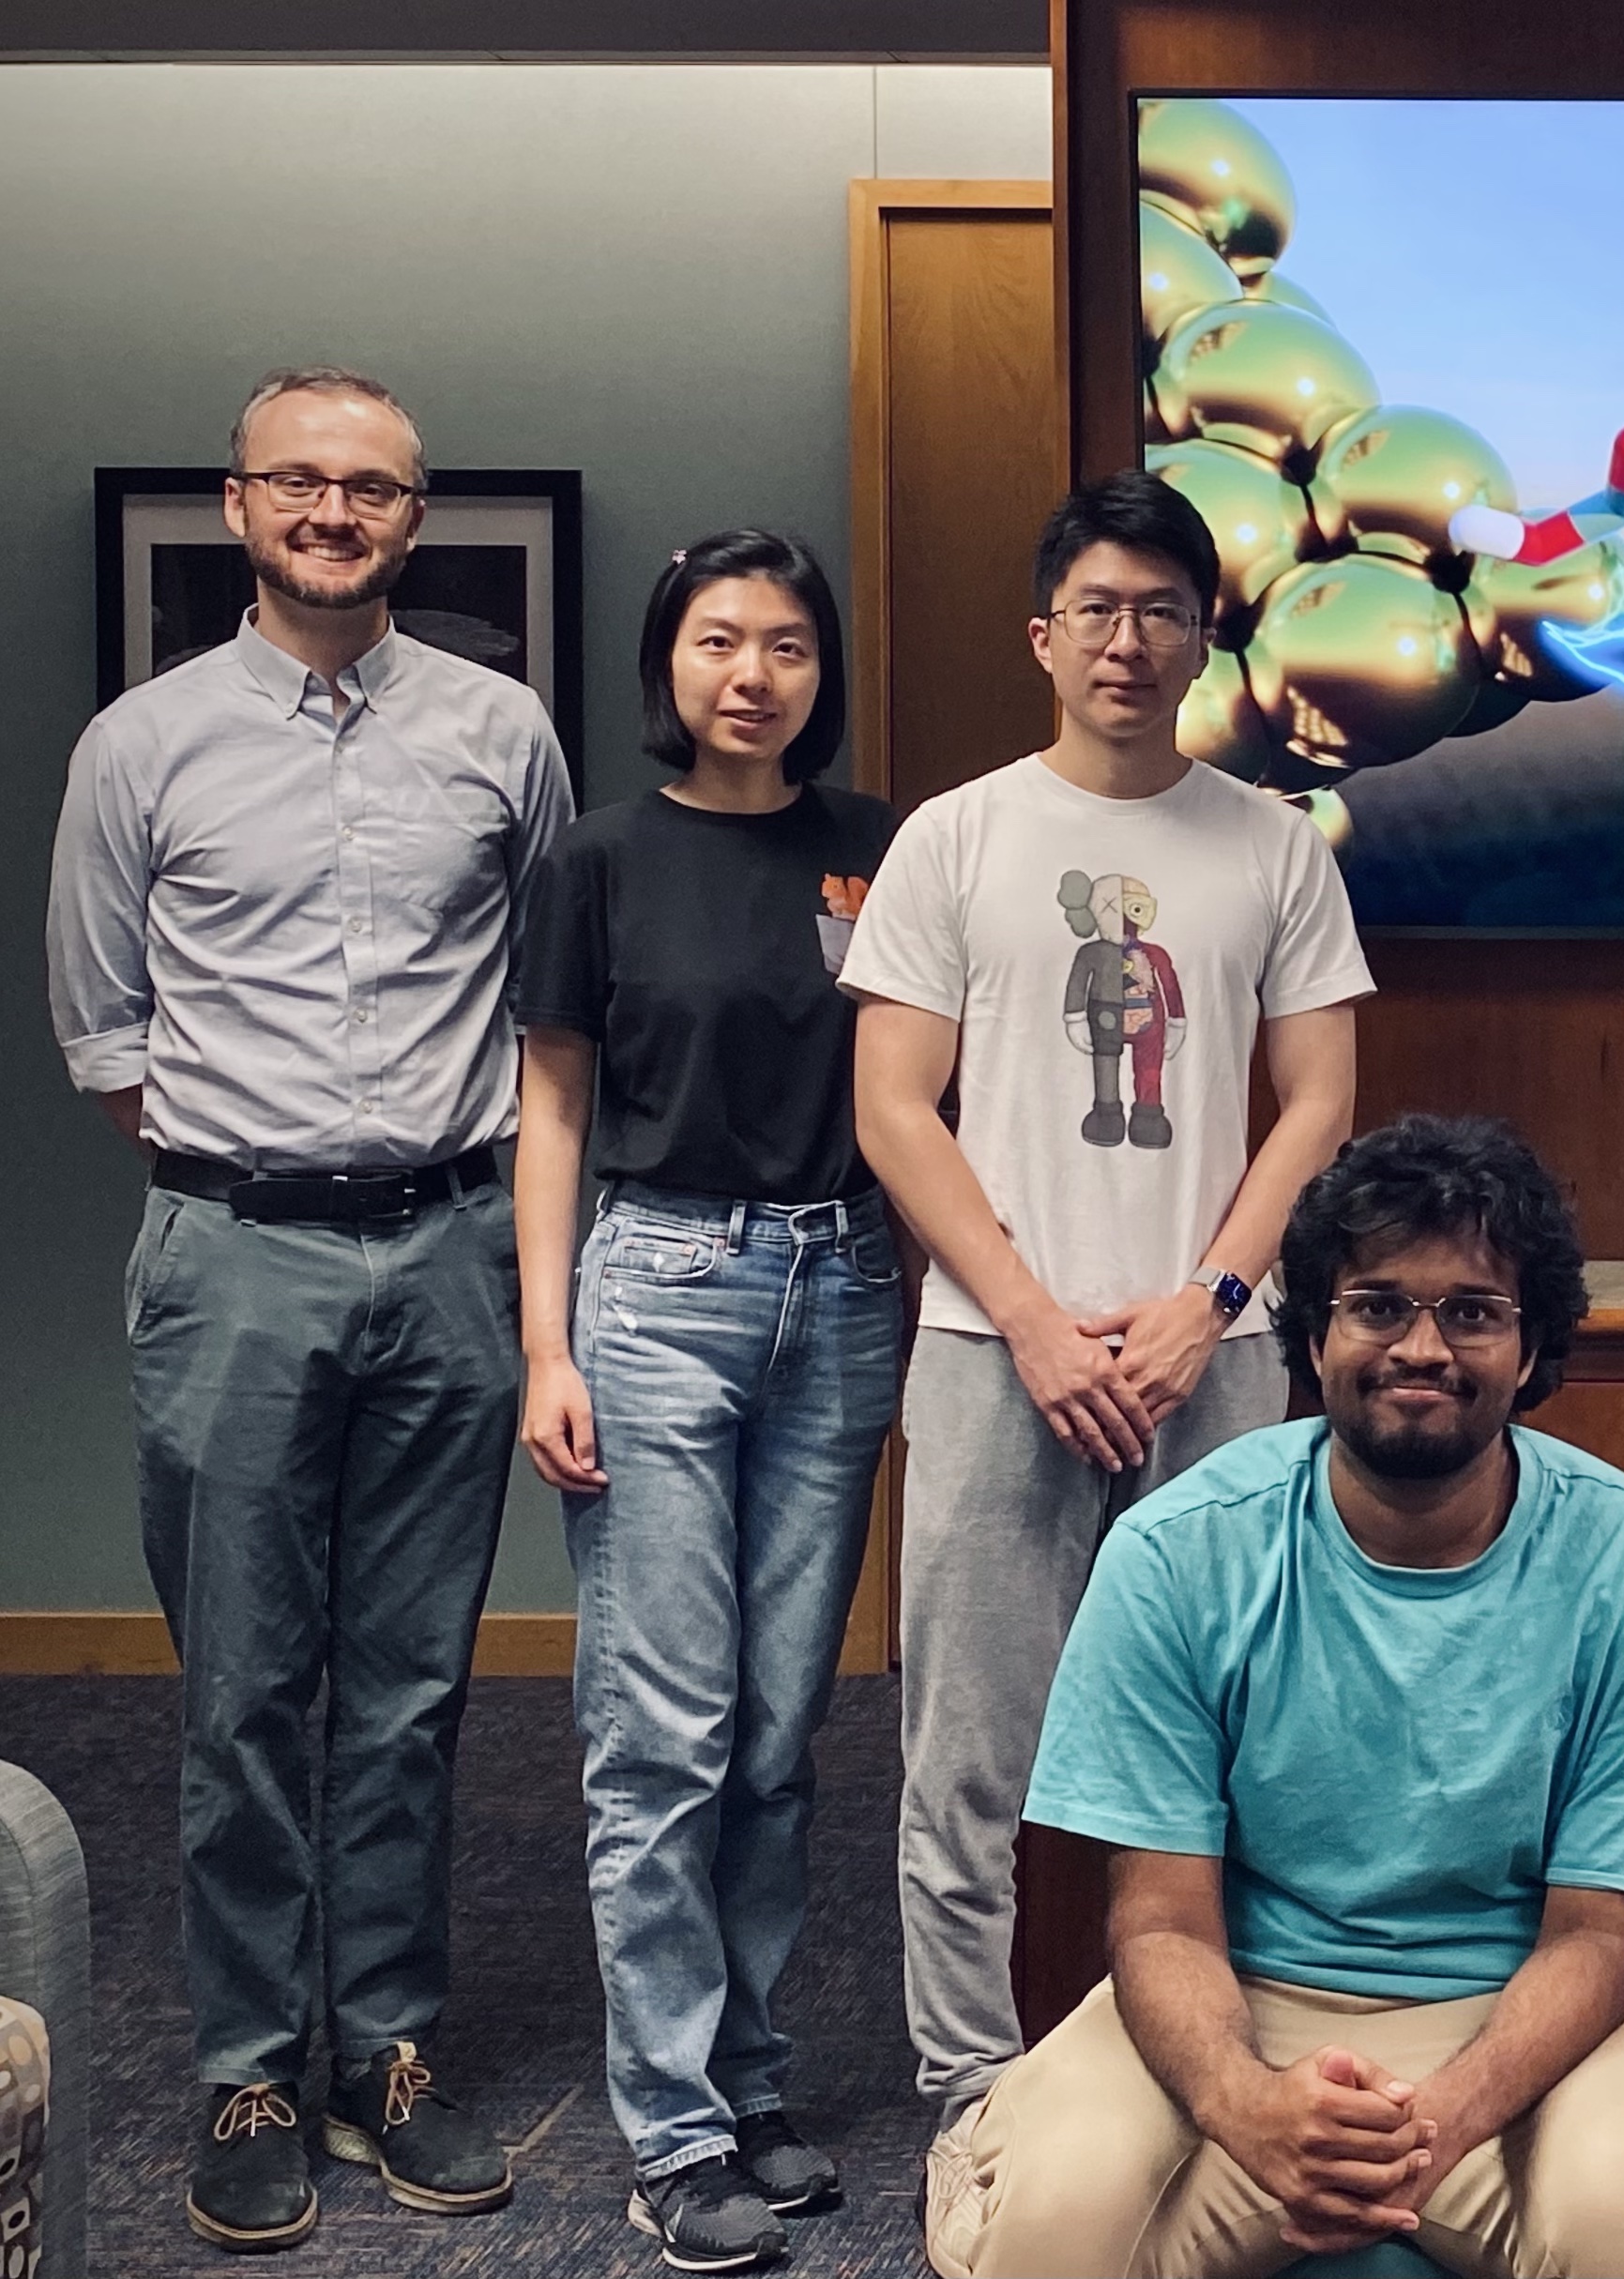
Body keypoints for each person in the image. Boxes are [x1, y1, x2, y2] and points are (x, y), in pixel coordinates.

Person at [47, 365, 573, 2251]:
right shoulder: (143, 746)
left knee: (416, 1688)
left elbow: (543, 1007)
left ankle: (390, 2049)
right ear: (240, 502)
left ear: (413, 517)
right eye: (300, 479)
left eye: (370, 485)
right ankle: (252, 2063)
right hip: (235, 1249)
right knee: (248, 1688)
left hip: (445, 1247)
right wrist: (262, 1175)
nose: (333, 508)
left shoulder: (503, 733)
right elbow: (110, 1036)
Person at [920, 1114, 1624, 2278]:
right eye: (1377, 1303)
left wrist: (1434, 2123)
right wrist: (1247, 2104)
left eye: (1473, 1309)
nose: (1422, 1345)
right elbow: (1160, 1916)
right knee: (1047, 2224)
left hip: (1532, 2012)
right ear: (1313, 1331)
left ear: (1532, 1342)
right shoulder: (1177, 1550)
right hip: (1239, 1996)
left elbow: (1601, 1929)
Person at [843, 471, 1374, 2133]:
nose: (1127, 641)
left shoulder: (1273, 844)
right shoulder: (956, 834)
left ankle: (1239, 2069)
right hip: (995, 1356)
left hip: (1209, 1358)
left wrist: (1210, 1296)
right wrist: (1032, 1317)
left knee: (1239, 1735)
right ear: (1042, 635)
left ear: (1204, 635)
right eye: (1098, 610)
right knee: (967, 1748)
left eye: (1160, 611)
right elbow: (892, 1104)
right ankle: (968, 2088)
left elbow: (1316, 1106)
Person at [510, 530, 903, 2271]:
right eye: (721, 640)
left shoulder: (879, 849)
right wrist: (546, 1343)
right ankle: (671, 2131)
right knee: (658, 1731)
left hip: (846, 1291)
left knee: (773, 1726)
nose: (754, 673)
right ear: (669, 659)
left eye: (790, 646)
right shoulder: (594, 859)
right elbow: (552, 1115)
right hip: (656, 1294)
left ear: (823, 673)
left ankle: (752, 2078)